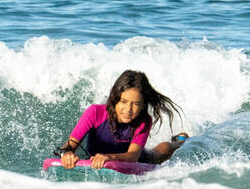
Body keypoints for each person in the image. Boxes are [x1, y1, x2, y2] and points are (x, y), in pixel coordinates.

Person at [57, 70, 188, 169]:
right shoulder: (95, 113)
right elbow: (68, 146)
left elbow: (133, 156)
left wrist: (108, 157)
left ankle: (180, 140)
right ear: (115, 99)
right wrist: (67, 155)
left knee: (158, 154)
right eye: (124, 101)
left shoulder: (143, 120)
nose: (128, 109)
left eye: (136, 104)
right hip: (98, 158)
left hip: (135, 158)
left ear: (143, 105)